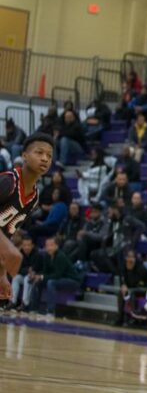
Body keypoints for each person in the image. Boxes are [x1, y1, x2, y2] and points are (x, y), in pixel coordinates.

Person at [0, 133, 54, 300]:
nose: (45, 158)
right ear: (24, 155)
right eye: (39, 152)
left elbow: (7, 232)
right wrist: (8, 248)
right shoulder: (8, 181)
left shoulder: (34, 198)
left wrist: (1, 275)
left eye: (49, 155)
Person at [29, 237, 81, 318]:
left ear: (57, 246)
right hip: (59, 280)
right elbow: (45, 272)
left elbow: (58, 275)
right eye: (47, 245)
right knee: (37, 281)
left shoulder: (60, 256)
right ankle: (33, 309)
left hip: (72, 281)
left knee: (51, 282)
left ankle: (50, 312)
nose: (48, 247)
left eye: (51, 245)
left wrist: (42, 276)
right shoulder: (47, 256)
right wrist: (37, 276)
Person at [116, 249, 147, 326]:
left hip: (146, 288)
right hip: (133, 288)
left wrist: (130, 270)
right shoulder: (123, 266)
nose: (130, 259)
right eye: (128, 257)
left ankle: (135, 318)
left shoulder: (140, 267)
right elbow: (121, 279)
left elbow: (134, 282)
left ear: (135, 258)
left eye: (132, 257)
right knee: (120, 292)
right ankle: (120, 318)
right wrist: (123, 285)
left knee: (130, 292)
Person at [9, 235, 41, 311]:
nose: (26, 247)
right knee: (16, 277)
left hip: (33, 277)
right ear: (22, 246)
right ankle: (12, 302)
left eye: (28, 245)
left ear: (32, 246)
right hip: (24, 275)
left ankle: (25, 303)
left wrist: (27, 271)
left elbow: (36, 269)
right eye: (24, 245)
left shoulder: (37, 254)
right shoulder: (20, 254)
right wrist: (27, 270)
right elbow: (18, 269)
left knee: (27, 278)